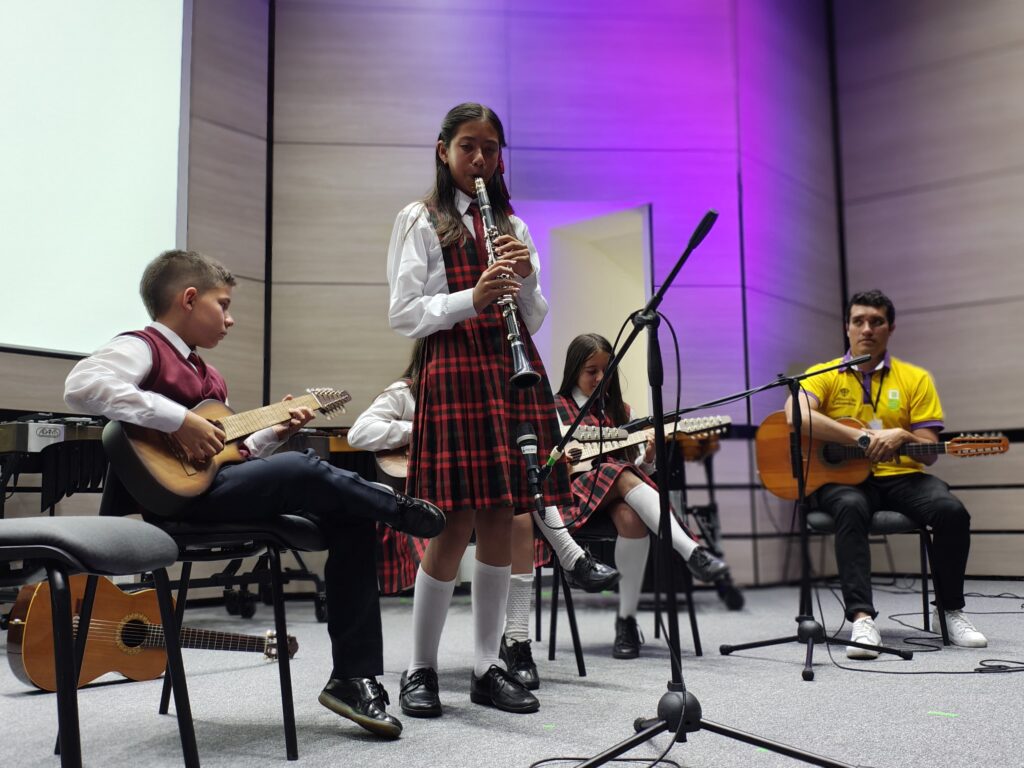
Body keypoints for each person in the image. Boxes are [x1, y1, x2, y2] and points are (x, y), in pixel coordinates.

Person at [64, 249, 447, 739]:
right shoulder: (144, 348)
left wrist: (274, 432)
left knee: (351, 517)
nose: (230, 317)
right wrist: (178, 419)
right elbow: (83, 385)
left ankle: (353, 677)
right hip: (167, 506)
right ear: (187, 298)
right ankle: (396, 507)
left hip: (213, 492)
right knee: (305, 470)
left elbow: (229, 454)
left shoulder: (210, 378)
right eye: (221, 305)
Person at [387, 102, 579, 717]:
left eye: (490, 149)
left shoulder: (514, 228)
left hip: (508, 372)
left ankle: (486, 666)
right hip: (454, 368)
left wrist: (521, 280)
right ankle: (419, 670)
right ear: (443, 150)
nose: (478, 160)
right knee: (450, 525)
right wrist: (470, 297)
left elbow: (537, 315)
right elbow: (404, 313)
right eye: (467, 147)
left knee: (504, 517)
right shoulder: (419, 218)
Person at [347, 340, 619, 691]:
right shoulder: (405, 393)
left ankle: (515, 643)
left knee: (519, 513)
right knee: (505, 513)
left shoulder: (484, 401)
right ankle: (571, 558)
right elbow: (359, 432)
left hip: (487, 500)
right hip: (435, 501)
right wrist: (421, 431)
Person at [786, 289, 986, 658]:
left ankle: (951, 611)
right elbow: (795, 416)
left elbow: (928, 452)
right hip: (842, 481)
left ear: (890, 328)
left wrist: (903, 435)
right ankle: (862, 619)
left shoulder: (915, 378)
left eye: (876, 321)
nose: (867, 328)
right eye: (858, 321)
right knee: (848, 506)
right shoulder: (824, 375)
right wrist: (859, 437)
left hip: (902, 476)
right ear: (846, 327)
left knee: (951, 511)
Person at [554, 333, 730, 659]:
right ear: (574, 370)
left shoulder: (622, 412)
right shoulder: (556, 410)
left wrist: (649, 457)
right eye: (591, 370)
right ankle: (691, 551)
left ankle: (626, 620)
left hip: (616, 496)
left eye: (606, 370)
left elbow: (640, 474)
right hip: (571, 501)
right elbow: (550, 467)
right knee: (616, 473)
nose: (600, 378)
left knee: (632, 517)